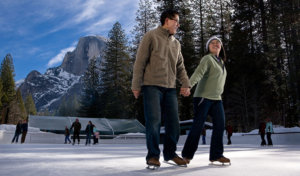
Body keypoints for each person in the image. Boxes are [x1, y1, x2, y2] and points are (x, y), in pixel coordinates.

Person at [131, 9, 191, 167]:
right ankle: (152, 156)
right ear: (167, 20)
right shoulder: (151, 36)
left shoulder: (176, 44)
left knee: (174, 123)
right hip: (152, 86)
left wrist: (186, 83)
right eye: (176, 21)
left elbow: (180, 67)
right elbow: (140, 62)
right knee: (154, 122)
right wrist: (136, 85)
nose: (178, 24)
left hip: (170, 88)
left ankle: (170, 153)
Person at [181, 35, 230, 164]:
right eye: (212, 43)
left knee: (220, 125)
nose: (215, 44)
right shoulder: (207, 59)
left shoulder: (221, 62)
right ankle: (187, 155)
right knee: (198, 126)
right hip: (203, 97)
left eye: (218, 42)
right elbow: (198, 73)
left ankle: (216, 155)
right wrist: (188, 85)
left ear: (221, 46)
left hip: (216, 99)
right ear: (208, 47)